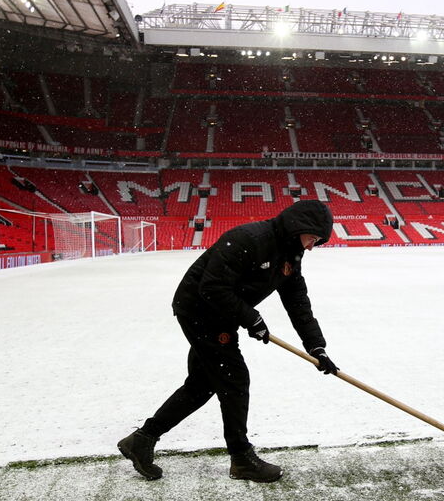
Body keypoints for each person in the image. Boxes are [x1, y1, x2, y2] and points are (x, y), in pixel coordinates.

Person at [118, 200, 338, 483]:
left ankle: (142, 439)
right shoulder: (250, 239)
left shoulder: (290, 253)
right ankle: (242, 458)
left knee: (202, 384)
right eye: (312, 238)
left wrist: (316, 346)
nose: (311, 246)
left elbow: (297, 300)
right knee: (233, 380)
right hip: (200, 309)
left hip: (222, 312)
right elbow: (212, 287)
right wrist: (251, 318)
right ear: (299, 227)